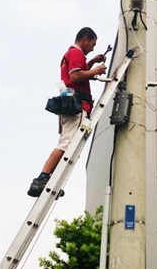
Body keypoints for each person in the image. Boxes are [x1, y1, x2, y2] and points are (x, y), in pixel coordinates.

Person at [28, 27, 107, 197]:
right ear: (85, 38)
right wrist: (96, 71)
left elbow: (78, 72)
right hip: (78, 106)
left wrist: (92, 62)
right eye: (93, 44)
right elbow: (76, 77)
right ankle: (42, 179)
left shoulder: (71, 55)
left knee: (65, 142)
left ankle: (49, 179)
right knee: (66, 144)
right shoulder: (76, 53)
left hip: (70, 105)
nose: (93, 48)